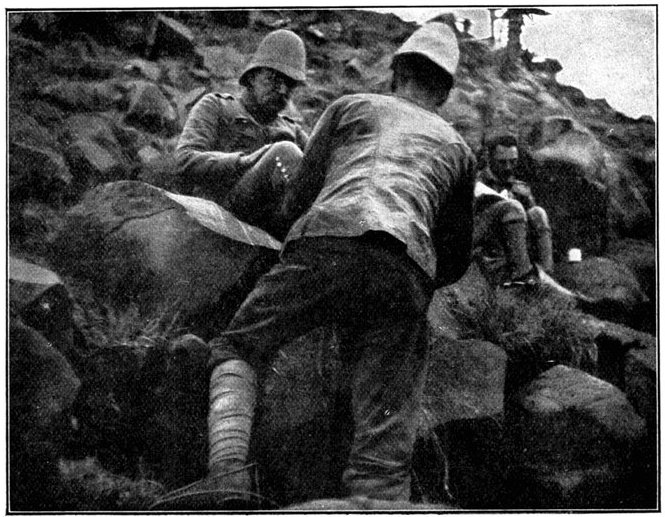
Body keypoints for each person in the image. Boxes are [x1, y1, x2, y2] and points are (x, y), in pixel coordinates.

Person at [152, 22, 476, 509]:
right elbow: (455, 258)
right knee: (385, 428)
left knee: (239, 345)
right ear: (446, 92)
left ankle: (230, 476)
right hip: (406, 269)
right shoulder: (459, 150)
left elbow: (299, 196)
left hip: (325, 244)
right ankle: (378, 500)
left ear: (395, 73)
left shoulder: (349, 107)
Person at [176, 29, 309, 238]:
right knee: (285, 153)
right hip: (221, 213)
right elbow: (185, 160)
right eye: (274, 79)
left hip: (273, 221)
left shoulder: (293, 130)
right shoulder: (216, 106)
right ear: (252, 77)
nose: (283, 91)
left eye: (290, 85)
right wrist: (244, 161)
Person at [473, 133, 553, 287]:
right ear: (489, 158)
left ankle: (546, 276)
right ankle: (522, 276)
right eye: (502, 162)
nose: (508, 167)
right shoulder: (476, 183)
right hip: (485, 241)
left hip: (514, 244)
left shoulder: (519, 188)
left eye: (513, 161)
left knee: (538, 213)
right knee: (513, 208)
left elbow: (531, 225)